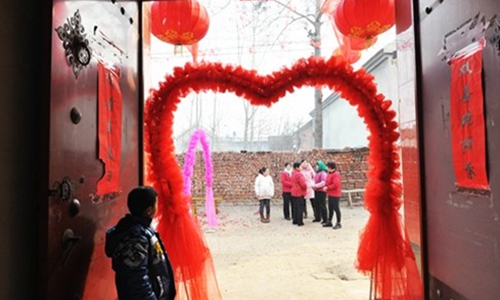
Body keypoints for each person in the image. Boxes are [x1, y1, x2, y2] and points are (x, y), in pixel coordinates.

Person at [105, 186, 176, 300]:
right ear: (149, 210)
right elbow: (137, 280)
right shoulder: (136, 238)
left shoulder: (143, 230)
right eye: (156, 204)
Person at [324, 162, 342, 229]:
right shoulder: (329, 174)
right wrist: (326, 186)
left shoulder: (335, 175)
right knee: (330, 208)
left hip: (335, 194)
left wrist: (328, 187)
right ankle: (329, 221)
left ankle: (338, 222)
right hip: (330, 193)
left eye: (328, 167)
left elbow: (336, 185)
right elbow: (327, 181)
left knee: (336, 208)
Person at [291, 161, 307, 226]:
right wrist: (305, 188)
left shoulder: (293, 173)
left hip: (294, 192)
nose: (301, 167)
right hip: (299, 192)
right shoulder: (299, 174)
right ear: (297, 168)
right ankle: (300, 222)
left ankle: (295, 220)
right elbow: (303, 184)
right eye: (300, 166)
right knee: (300, 207)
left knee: (295, 207)